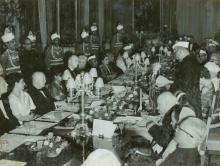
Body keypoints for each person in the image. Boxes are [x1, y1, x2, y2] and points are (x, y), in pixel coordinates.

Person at [171, 46, 208, 118]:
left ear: (181, 52)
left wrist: (170, 85)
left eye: (176, 54)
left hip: (188, 100)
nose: (176, 57)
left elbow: (185, 84)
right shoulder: (191, 60)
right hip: (193, 96)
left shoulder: (187, 63)